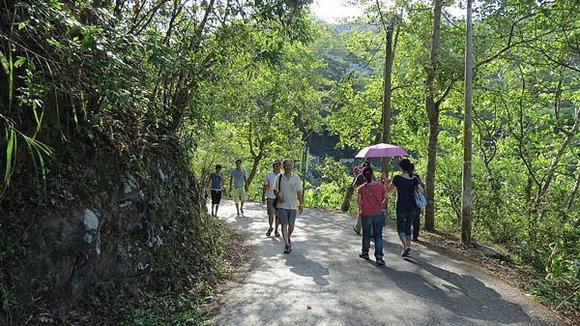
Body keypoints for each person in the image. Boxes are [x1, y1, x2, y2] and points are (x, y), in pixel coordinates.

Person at [386, 159, 424, 258]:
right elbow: (421, 190)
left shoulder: (397, 178)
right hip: (412, 207)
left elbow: (388, 190)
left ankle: (406, 246)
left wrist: (386, 181)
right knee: (408, 228)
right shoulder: (414, 178)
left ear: (401, 167)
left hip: (401, 206)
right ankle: (407, 248)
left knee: (400, 228)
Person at [357, 166, 387, 266]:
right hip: (378, 213)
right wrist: (382, 205)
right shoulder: (380, 186)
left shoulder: (361, 188)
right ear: (372, 174)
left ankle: (365, 252)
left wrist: (361, 210)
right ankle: (379, 257)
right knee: (378, 236)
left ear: (363, 176)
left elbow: (359, 202)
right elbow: (386, 197)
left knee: (366, 234)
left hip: (366, 213)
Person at [273, 158, 303, 254]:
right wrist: (279, 197)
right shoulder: (279, 177)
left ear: (292, 166)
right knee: (284, 225)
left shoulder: (296, 178)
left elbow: (299, 192)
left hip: (293, 206)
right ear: (283, 166)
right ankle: (286, 244)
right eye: (286, 165)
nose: (288, 167)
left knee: (291, 226)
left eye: (290, 165)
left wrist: (301, 204)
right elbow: (274, 189)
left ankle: (288, 237)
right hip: (281, 206)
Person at [262, 160, 282, 237]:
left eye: (278, 166)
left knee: (278, 215)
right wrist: (263, 196)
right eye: (276, 165)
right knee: (271, 214)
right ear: (273, 166)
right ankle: (270, 227)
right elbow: (265, 186)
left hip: (279, 198)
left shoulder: (282, 175)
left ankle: (276, 230)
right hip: (270, 197)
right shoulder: (269, 175)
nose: (277, 167)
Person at [353, 161, 372, 235]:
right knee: (371, 214)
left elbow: (354, 186)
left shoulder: (360, 176)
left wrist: (361, 188)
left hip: (362, 197)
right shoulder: (372, 176)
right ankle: (371, 232)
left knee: (361, 212)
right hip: (371, 198)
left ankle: (358, 228)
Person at [410, 163, 426, 241]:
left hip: (409, 200)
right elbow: (422, 187)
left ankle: (408, 234)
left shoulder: (404, 177)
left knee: (409, 218)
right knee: (416, 219)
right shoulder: (416, 177)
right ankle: (415, 235)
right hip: (417, 201)